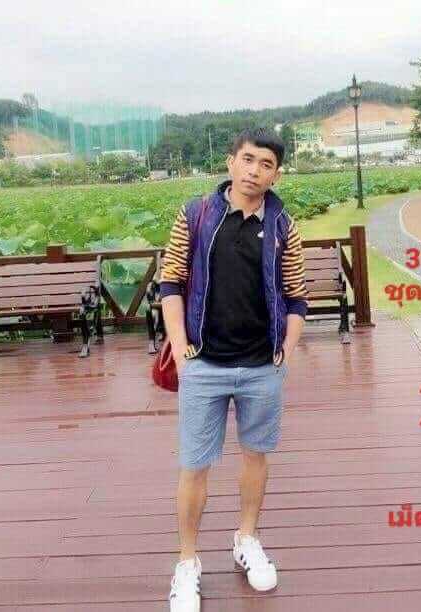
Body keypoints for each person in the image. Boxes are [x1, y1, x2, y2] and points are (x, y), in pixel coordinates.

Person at [159, 127, 308, 611]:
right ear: (230, 162)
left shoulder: (283, 225)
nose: (254, 171)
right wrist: (180, 348)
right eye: (248, 159)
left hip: (262, 365)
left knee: (256, 456)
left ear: (276, 174)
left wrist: (286, 349)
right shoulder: (196, 214)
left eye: (266, 164)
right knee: (194, 465)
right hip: (204, 363)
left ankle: (247, 538)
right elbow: (170, 282)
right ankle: (187, 562)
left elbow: (296, 296)